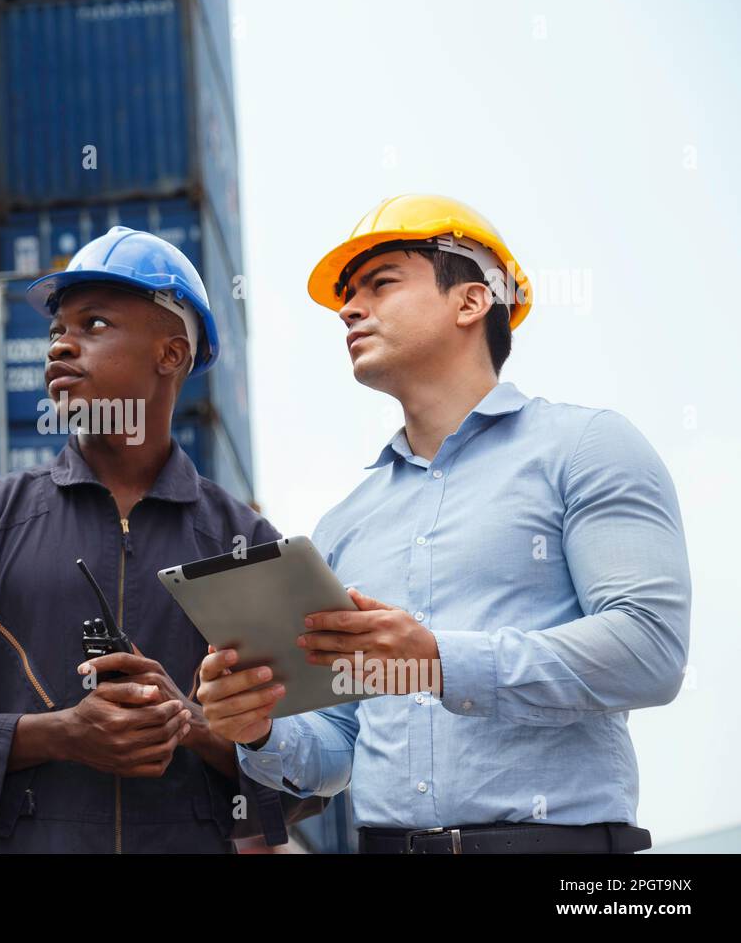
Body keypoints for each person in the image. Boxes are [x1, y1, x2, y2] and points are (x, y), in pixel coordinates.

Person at [197, 195, 691, 854]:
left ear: (470, 301)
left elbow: (648, 652)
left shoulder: (585, 447)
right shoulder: (344, 525)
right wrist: (258, 728)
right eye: (348, 295)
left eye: (380, 284)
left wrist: (437, 659)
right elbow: (340, 746)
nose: (348, 309)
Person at [0, 226, 324, 852]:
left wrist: (191, 726)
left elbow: (310, 772)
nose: (60, 347)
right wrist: (58, 734)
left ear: (171, 354)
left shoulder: (244, 544)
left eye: (94, 324)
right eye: (56, 331)